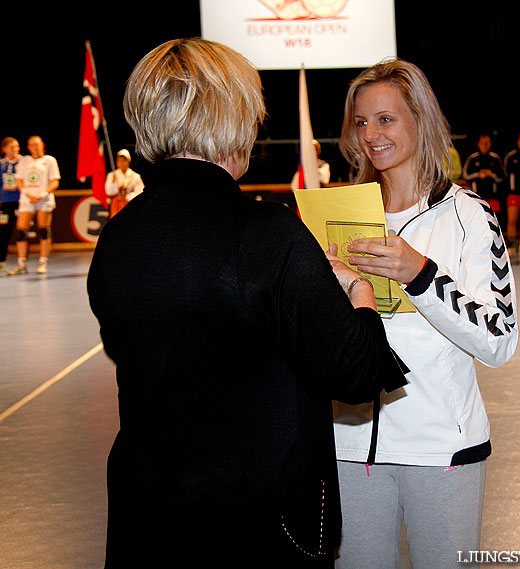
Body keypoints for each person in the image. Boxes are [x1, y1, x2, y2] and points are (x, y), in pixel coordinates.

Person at [86, 38, 406, 568]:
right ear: (232, 118)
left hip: (149, 516)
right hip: (259, 523)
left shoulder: (118, 236)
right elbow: (356, 372)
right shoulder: (265, 233)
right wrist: (359, 294)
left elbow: (129, 344)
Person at [335, 59, 519, 568]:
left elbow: (499, 339)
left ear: (421, 119)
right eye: (361, 122)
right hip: (349, 448)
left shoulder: (470, 217)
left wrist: (419, 274)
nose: (371, 135)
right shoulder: (337, 214)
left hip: (441, 451)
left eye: (386, 119)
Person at [7, 136, 60, 275]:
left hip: (43, 199)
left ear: (42, 145)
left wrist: (42, 193)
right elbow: (18, 181)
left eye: (36, 144)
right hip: (27, 199)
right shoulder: (25, 161)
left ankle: (43, 262)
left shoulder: (49, 160)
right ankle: (21, 264)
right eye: (31, 145)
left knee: (43, 231)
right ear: (28, 147)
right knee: (20, 232)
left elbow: (55, 181)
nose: (34, 147)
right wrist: (27, 192)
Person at [462, 133, 505, 215]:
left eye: (487, 143)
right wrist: (478, 175)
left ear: (490, 144)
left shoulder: (495, 158)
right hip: (477, 197)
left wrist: (491, 174)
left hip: (492, 197)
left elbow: (502, 178)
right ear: (478, 144)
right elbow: (465, 176)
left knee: (493, 222)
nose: (484, 145)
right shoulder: (472, 158)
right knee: (478, 221)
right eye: (482, 143)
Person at [0, 137, 22, 273]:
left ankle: (22, 262)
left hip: (22, 202)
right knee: (3, 232)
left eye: (17, 146)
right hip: (6, 203)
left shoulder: (24, 162)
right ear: (4, 149)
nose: (15, 150)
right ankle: (1, 261)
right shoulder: (1, 164)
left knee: (21, 232)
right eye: (12, 147)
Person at [105, 148, 144, 217]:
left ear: (128, 162)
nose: (122, 163)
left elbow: (140, 192)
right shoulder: (112, 175)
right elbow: (108, 191)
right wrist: (113, 182)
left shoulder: (135, 176)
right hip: (116, 206)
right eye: (119, 160)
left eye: (124, 160)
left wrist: (127, 197)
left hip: (130, 205)